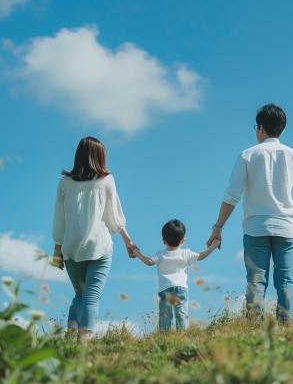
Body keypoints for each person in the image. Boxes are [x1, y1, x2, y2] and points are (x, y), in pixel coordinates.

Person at [206, 104, 293, 322]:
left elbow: (231, 195)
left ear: (261, 128)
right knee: (286, 281)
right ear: (281, 129)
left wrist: (218, 228)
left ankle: (254, 329)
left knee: (256, 281)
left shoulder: (247, 155)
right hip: (287, 229)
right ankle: (286, 328)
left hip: (255, 228)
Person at [52, 136, 137, 342]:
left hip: (72, 249)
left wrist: (57, 249)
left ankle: (71, 335)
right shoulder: (106, 180)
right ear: (99, 157)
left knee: (79, 295)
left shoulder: (64, 183)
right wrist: (128, 241)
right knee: (91, 296)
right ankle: (84, 341)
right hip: (99, 247)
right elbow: (114, 217)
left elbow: (59, 218)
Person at [132, 219, 221, 331]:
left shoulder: (160, 254)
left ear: (163, 241)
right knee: (182, 314)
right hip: (181, 289)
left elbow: (149, 261)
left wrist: (137, 253)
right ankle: (183, 335)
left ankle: (164, 336)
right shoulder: (186, 253)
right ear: (183, 241)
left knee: (165, 315)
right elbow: (201, 256)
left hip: (164, 289)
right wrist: (213, 246)